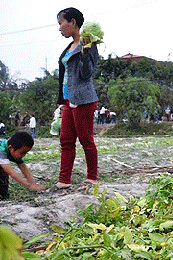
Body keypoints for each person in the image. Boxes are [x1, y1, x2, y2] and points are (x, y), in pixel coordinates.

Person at [55, 7, 99, 191]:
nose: (59, 28)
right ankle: (64, 180)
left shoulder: (89, 45)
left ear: (72, 22)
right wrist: (60, 100)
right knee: (66, 140)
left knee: (86, 140)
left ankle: (92, 178)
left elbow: (86, 73)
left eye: (61, 23)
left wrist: (84, 55)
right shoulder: (68, 47)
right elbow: (62, 75)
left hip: (83, 99)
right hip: (68, 99)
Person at [0, 132, 45, 199]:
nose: (23, 156)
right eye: (22, 153)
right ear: (11, 148)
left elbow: (23, 167)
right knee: (3, 172)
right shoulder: (2, 151)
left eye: (26, 153)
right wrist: (29, 185)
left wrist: (33, 184)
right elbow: (11, 172)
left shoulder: (12, 149)